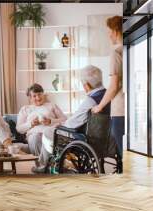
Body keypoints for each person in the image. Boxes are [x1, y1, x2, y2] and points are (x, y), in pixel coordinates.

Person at [35, 65, 110, 173]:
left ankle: (44, 165)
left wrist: (60, 125)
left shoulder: (91, 101)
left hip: (87, 141)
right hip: (107, 142)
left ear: (87, 85)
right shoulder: (109, 96)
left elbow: (71, 125)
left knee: (48, 131)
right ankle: (49, 163)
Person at [91, 15, 124, 163]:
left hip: (120, 109)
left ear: (116, 30)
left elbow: (113, 86)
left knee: (122, 154)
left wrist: (99, 106)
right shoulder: (131, 47)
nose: (108, 34)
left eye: (109, 30)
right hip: (131, 108)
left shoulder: (116, 52)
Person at [16, 83, 67, 169]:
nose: (38, 98)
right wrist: (31, 124)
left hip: (50, 134)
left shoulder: (51, 105)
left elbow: (65, 120)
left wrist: (51, 121)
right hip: (34, 136)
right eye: (34, 96)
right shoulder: (25, 109)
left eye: (39, 94)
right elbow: (19, 129)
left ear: (43, 94)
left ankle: (43, 167)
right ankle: (45, 165)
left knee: (46, 137)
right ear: (30, 98)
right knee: (35, 137)